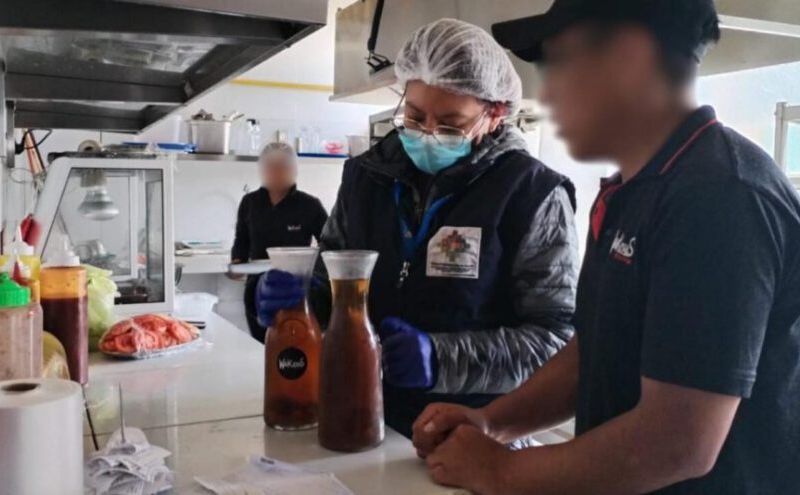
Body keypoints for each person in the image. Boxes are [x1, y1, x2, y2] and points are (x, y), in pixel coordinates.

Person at [411, 1, 800, 494]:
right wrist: (492, 423)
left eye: (560, 63)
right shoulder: (632, 190)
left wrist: (499, 471)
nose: (548, 91)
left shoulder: (718, 197)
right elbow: (595, 351)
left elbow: (678, 442)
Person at [255, 18, 580, 437]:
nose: (427, 134)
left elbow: (555, 343)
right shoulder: (366, 178)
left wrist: (440, 359)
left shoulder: (532, 195)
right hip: (353, 416)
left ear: (494, 113)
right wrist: (297, 298)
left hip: (469, 437)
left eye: (450, 123)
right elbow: (330, 284)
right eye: (414, 114)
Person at [232, 142, 328, 342]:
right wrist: (235, 265)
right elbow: (241, 242)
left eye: (282, 167)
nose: (276, 172)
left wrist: (316, 275)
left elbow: (329, 246)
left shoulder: (310, 205)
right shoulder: (250, 203)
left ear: (294, 170)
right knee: (263, 347)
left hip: (295, 291)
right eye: (270, 167)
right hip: (257, 291)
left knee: (293, 349)